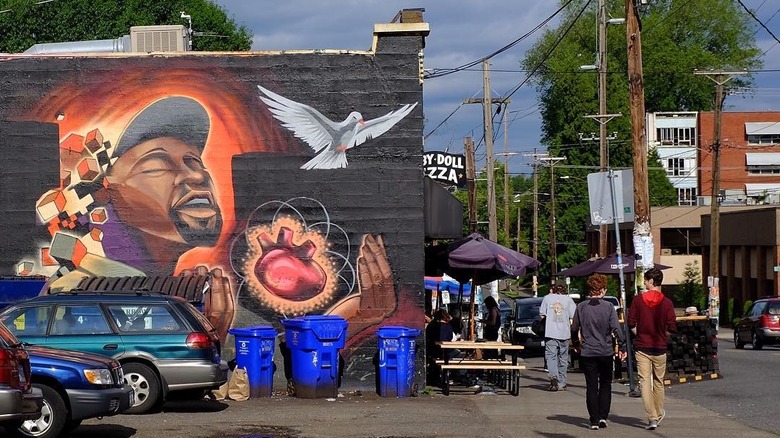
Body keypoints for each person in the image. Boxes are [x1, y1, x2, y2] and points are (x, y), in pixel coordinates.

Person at [571, 273, 626, 430]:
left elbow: (574, 328)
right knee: (606, 384)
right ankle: (603, 416)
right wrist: (621, 345)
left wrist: (576, 344)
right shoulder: (608, 307)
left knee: (591, 386)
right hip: (605, 350)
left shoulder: (581, 307)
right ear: (602, 290)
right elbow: (616, 328)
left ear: (589, 290)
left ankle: (593, 419)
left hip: (587, 351)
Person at [628, 267, 677, 430]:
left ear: (651, 281)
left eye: (645, 280)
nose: (644, 283)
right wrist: (663, 336)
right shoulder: (667, 303)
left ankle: (652, 417)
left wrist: (639, 333)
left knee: (644, 382)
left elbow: (631, 323)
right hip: (660, 347)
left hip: (642, 346)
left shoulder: (637, 300)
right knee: (658, 381)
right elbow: (672, 327)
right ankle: (659, 411)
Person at [539, 282, 577, 391]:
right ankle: (562, 382)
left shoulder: (547, 298)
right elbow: (573, 315)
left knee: (551, 356)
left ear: (553, 289)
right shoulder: (568, 300)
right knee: (563, 358)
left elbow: (542, 314)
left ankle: (553, 377)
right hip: (564, 333)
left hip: (550, 332)